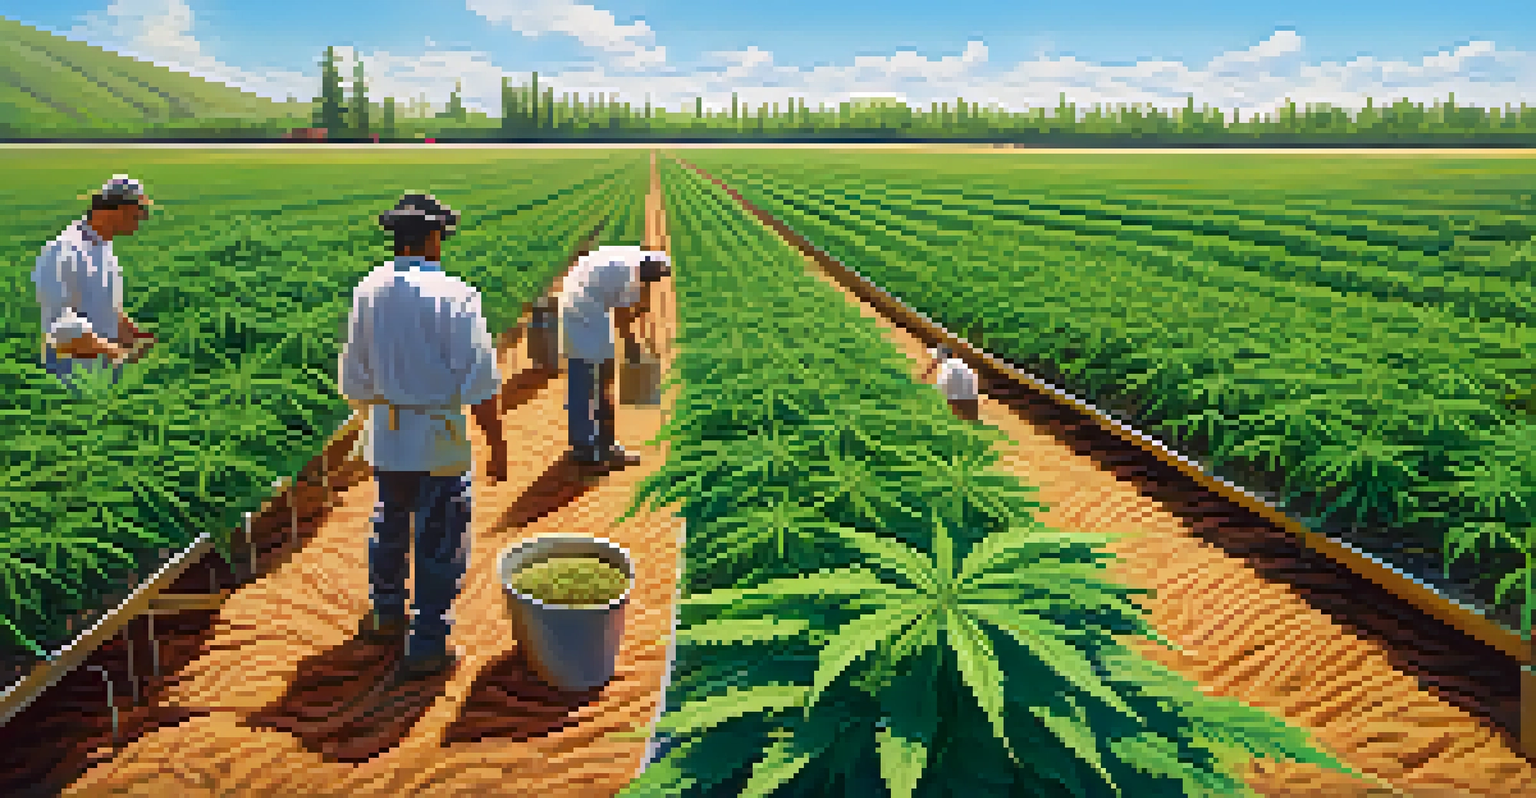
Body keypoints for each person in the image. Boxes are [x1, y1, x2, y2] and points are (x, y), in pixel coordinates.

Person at [338, 193, 507, 681]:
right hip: (438, 436)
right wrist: (496, 446)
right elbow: (480, 383)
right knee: (440, 535)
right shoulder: (457, 295)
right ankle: (428, 640)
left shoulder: (368, 290)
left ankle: (386, 613)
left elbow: (354, 379)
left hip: (388, 434)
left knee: (390, 521)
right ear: (434, 239)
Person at [32, 175, 158, 389]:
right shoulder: (63, 251)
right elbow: (60, 327)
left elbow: (102, 306)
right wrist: (116, 353)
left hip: (103, 370)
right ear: (115, 210)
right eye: (138, 212)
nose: (143, 218)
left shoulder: (104, 247)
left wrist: (132, 332)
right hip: (71, 376)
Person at [559, 245, 671, 471]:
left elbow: (636, 299)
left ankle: (604, 443)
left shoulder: (632, 261)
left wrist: (642, 304)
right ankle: (586, 448)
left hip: (586, 308)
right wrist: (633, 347)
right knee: (587, 378)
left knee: (599, 378)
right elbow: (622, 319)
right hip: (580, 312)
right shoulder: (623, 272)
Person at [922, 344, 980, 421]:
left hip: (959, 400)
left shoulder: (945, 370)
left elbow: (943, 389)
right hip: (972, 399)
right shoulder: (961, 363)